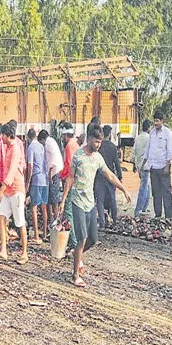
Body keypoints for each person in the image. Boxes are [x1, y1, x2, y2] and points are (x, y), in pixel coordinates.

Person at [60, 123, 130, 288]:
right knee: (82, 237)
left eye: (100, 142)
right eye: (96, 141)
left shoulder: (98, 158)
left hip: (90, 202)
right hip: (77, 201)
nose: (98, 145)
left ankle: (76, 254)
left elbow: (109, 174)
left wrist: (123, 188)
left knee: (93, 239)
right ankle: (75, 274)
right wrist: (63, 200)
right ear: (89, 139)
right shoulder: (78, 156)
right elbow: (70, 178)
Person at [0, 123, 28, 264]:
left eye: (2, 135)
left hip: (16, 190)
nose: (1, 137)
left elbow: (12, 172)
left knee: (20, 222)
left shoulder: (15, 150)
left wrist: (1, 190)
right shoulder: (7, 147)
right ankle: (3, 250)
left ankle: (24, 253)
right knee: (1, 217)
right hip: (8, 190)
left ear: (8, 135)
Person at [145, 110, 172, 219]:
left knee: (166, 192)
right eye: (154, 121)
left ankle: (169, 217)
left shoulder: (167, 133)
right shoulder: (152, 133)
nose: (155, 123)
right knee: (156, 193)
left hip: (163, 167)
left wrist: (167, 165)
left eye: (157, 121)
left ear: (162, 121)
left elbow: (170, 150)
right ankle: (158, 215)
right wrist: (145, 164)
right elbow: (148, 149)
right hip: (153, 167)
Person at [95, 125, 122, 229]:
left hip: (99, 177)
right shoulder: (112, 147)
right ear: (109, 134)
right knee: (112, 199)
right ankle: (114, 221)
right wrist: (119, 176)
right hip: (110, 177)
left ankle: (102, 222)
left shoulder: (98, 146)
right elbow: (117, 163)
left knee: (100, 201)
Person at [26, 128, 48, 243]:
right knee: (44, 207)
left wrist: (27, 182)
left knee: (34, 207)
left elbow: (30, 166)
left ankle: (36, 236)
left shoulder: (30, 148)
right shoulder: (41, 146)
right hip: (45, 178)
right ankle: (44, 233)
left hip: (36, 179)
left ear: (28, 137)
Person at [60, 123, 79, 249]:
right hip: (75, 183)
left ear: (65, 135)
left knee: (67, 212)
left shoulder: (69, 146)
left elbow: (70, 167)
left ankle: (73, 242)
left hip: (71, 183)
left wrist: (63, 176)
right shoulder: (75, 144)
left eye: (62, 135)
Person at [39, 130, 64, 223]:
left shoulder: (48, 143)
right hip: (55, 171)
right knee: (50, 198)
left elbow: (52, 159)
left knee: (54, 199)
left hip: (54, 173)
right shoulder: (51, 141)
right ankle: (52, 220)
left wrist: (49, 174)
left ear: (42, 139)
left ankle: (56, 221)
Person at [133, 120, 152, 217]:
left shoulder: (138, 138)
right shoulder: (149, 138)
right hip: (146, 165)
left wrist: (135, 165)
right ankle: (138, 209)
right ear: (149, 127)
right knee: (144, 187)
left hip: (139, 165)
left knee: (147, 186)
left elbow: (134, 152)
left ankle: (144, 207)